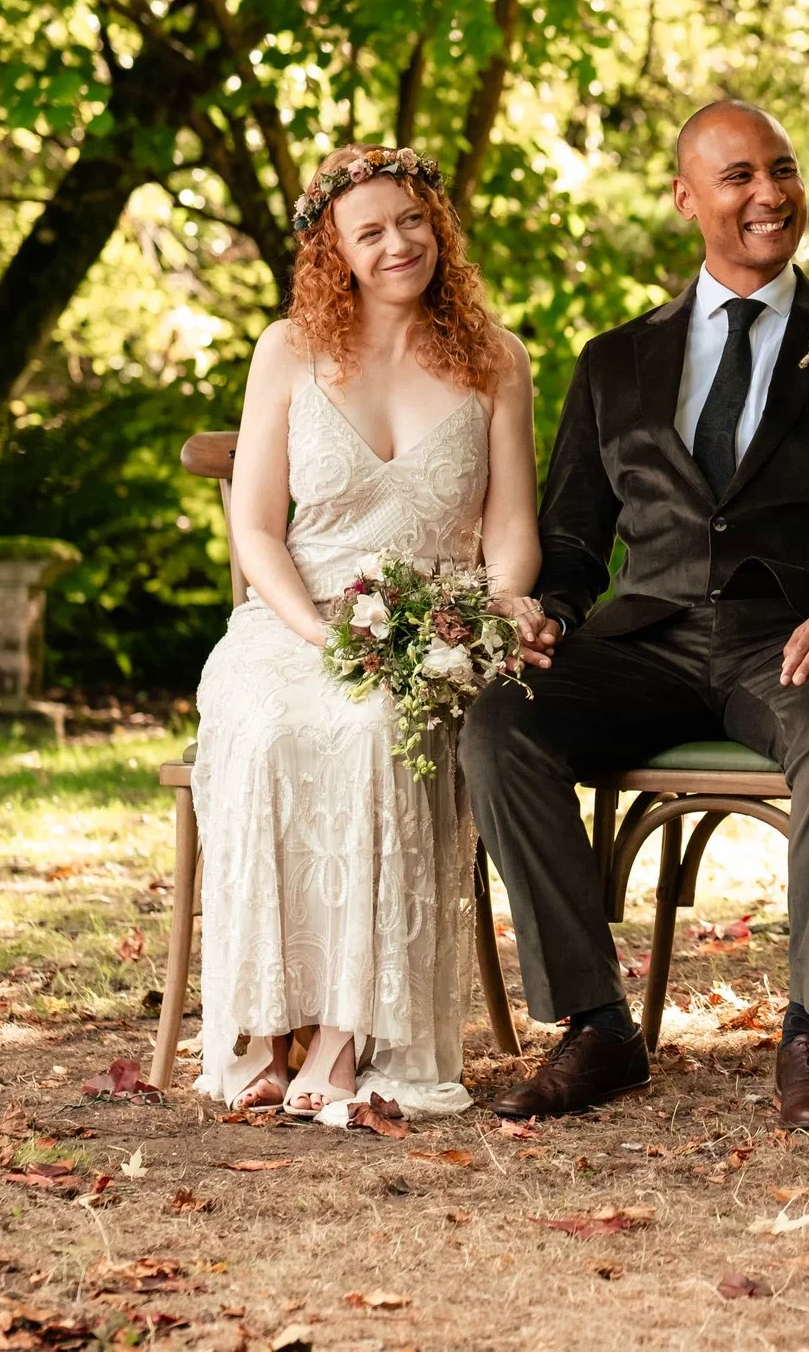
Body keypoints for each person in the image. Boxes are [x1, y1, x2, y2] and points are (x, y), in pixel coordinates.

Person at [462, 99, 809, 1131]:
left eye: (780, 169)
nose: (769, 193)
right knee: (500, 716)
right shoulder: (614, 361)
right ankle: (598, 1028)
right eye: (737, 176)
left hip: (791, 645)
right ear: (685, 198)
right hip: (642, 645)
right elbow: (570, 537)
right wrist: (546, 612)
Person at [191, 145, 544, 1121]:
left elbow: (511, 529)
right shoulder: (287, 349)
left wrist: (488, 610)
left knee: (374, 725)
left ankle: (347, 1033)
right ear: (334, 251)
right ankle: (266, 1026)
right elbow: (256, 525)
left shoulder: (495, 357)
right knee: (264, 726)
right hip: (292, 613)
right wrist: (314, 631)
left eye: (414, 221)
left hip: (429, 619)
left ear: (440, 225)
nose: (399, 244)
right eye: (371, 231)